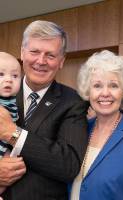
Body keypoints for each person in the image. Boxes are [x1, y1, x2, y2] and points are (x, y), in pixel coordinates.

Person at [0, 20, 88, 200]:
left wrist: (13, 133)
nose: (41, 61)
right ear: (22, 53)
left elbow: (69, 165)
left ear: (61, 61)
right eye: (34, 52)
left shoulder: (73, 102)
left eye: (50, 55)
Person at [70, 50, 123, 200]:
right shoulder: (79, 129)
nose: (105, 93)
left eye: (113, 85)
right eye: (97, 86)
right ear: (88, 91)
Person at [0, 52, 23, 196]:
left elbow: (14, 130)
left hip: (5, 145)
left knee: (12, 164)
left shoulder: (14, 102)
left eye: (15, 76)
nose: (8, 80)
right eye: (1, 74)